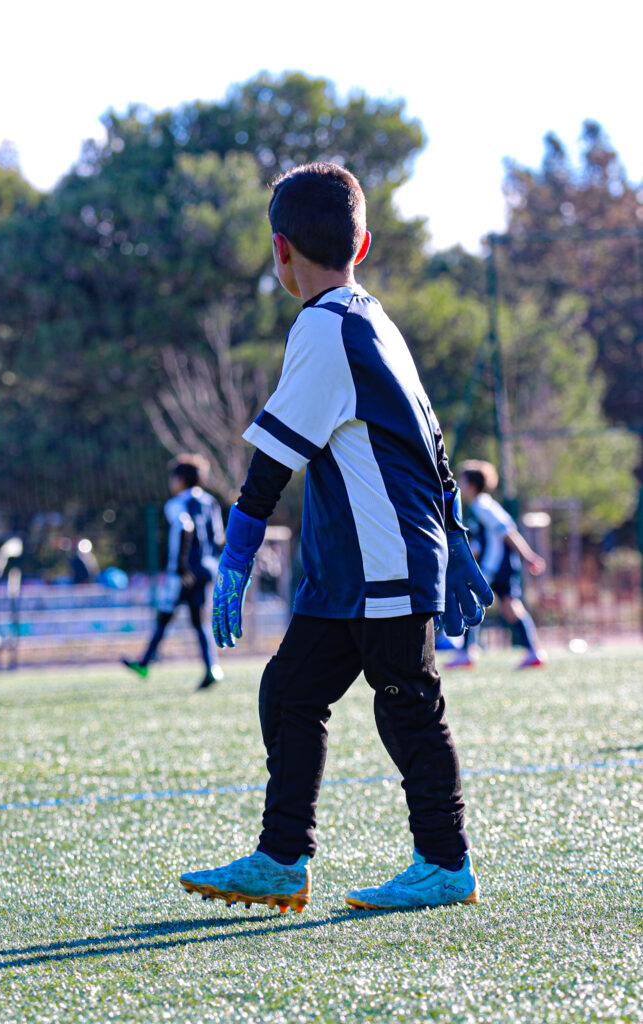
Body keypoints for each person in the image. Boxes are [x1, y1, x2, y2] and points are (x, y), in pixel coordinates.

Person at [178, 162, 493, 914]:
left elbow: (271, 464)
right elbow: (433, 441)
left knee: (407, 704)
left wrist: (236, 555)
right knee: (291, 692)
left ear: (279, 250)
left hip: (385, 561)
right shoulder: (371, 317)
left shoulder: (323, 327)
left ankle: (444, 864)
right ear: (364, 243)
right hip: (358, 570)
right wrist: (453, 536)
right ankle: (282, 860)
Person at [122, 454, 225, 689]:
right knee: (198, 620)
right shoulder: (210, 502)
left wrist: (181, 567)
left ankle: (145, 663)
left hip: (183, 572)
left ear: (179, 479)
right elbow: (218, 537)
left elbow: (184, 527)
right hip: (207, 569)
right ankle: (212, 667)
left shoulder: (176, 503)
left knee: (165, 615)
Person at [446, 460, 547, 670]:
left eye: (462, 480)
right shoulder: (479, 507)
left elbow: (508, 532)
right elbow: (483, 541)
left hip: (495, 567)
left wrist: (528, 556)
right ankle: (533, 652)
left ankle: (467, 652)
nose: (459, 485)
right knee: (510, 608)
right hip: (496, 566)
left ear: (472, 484)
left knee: (470, 601)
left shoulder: (483, 506)